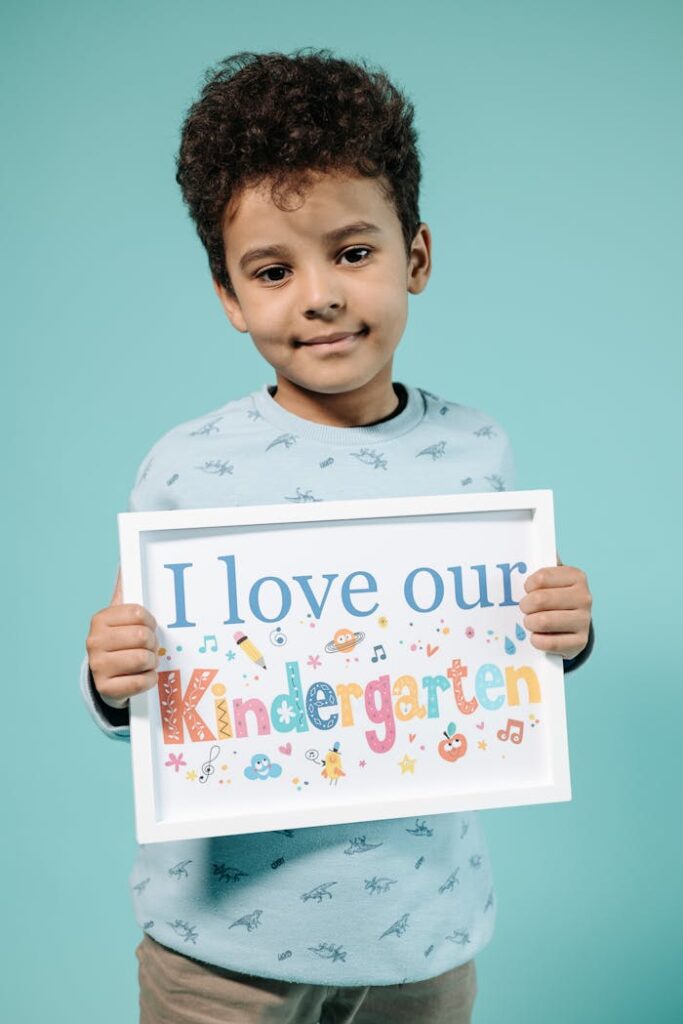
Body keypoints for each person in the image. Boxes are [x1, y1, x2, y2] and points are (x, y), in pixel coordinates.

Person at [82, 50, 593, 1024]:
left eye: (351, 253)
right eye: (272, 270)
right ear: (229, 296)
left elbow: (490, 669)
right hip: (218, 955)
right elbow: (126, 683)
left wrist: (561, 633)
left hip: (421, 930)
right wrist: (108, 671)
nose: (317, 295)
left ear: (416, 256)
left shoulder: (475, 451)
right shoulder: (187, 467)